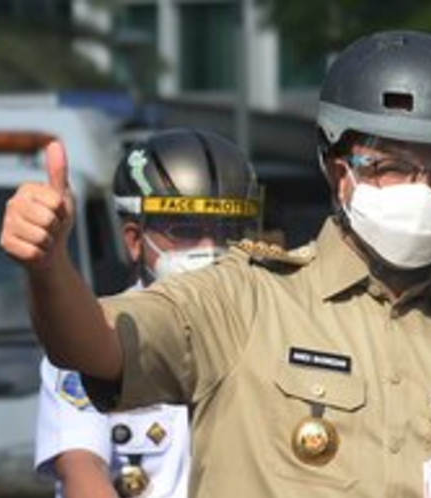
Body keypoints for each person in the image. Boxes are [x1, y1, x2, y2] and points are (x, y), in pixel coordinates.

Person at [1, 30, 431, 498]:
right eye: (392, 166)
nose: (420, 189)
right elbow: (93, 346)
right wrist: (46, 267)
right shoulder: (243, 301)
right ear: (337, 169)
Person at [33, 128, 262, 498]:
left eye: (228, 231)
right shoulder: (92, 336)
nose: (210, 248)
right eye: (187, 230)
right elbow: (81, 472)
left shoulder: (271, 325)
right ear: (134, 240)